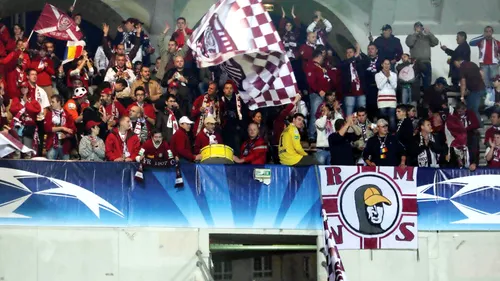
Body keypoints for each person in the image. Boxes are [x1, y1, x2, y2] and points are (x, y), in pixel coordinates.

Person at [9, 82, 41, 158]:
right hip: (17, 127)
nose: (24, 89)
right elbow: (12, 109)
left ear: (28, 89)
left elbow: (37, 110)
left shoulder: (33, 100)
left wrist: (26, 103)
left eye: (25, 87)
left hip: (28, 127)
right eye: (22, 87)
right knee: (17, 150)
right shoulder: (16, 99)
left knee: (27, 150)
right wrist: (22, 105)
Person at [405, 22, 439, 89]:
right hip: (415, 63)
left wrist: (429, 33)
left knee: (427, 83)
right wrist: (416, 33)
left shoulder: (427, 37)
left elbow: (436, 42)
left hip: (426, 62)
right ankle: (416, 99)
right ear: (414, 28)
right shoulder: (410, 36)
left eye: (420, 26)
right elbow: (409, 43)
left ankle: (426, 98)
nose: (419, 28)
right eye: (417, 26)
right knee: (415, 83)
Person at [454, 57, 486, 124]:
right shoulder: (472, 63)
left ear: (457, 61)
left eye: (454, 63)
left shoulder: (462, 68)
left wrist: (462, 96)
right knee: (469, 108)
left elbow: (463, 83)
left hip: (475, 90)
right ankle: (470, 124)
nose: (455, 66)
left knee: (473, 110)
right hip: (481, 88)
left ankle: (479, 125)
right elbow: (482, 74)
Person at [44, 95, 76, 160]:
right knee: (51, 166)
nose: (51, 104)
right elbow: (47, 128)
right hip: (52, 145)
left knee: (66, 167)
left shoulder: (67, 115)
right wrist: (62, 128)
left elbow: (73, 130)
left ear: (59, 102)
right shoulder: (49, 114)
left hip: (64, 146)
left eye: (53, 102)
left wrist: (66, 136)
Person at [220, 80, 247, 155]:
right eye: (227, 88)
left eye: (230, 88)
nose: (229, 90)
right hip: (224, 128)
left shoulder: (238, 100)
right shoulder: (220, 100)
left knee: (236, 145)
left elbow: (243, 114)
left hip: (236, 127)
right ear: (224, 90)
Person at [339, 44, 366, 116]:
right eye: (347, 52)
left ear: (354, 53)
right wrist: (355, 56)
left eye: (350, 52)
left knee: (362, 113)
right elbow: (343, 65)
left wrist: (359, 52)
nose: (348, 54)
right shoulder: (344, 63)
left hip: (361, 92)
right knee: (349, 114)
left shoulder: (359, 62)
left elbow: (367, 61)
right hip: (349, 93)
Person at [469, 26, 499, 90]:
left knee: (495, 83)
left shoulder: (496, 42)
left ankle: (495, 98)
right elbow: (471, 42)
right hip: (484, 65)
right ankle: (487, 98)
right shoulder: (481, 41)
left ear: (492, 32)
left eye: (490, 31)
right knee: (485, 83)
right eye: (486, 31)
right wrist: (483, 36)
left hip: (494, 65)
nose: (488, 33)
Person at [375, 59, 398, 130]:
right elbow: (379, 86)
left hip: (392, 100)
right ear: (382, 65)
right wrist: (386, 77)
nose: (386, 65)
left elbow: (394, 86)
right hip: (382, 101)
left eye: (388, 64)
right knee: (383, 120)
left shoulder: (394, 75)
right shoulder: (377, 75)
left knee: (392, 119)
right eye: (385, 64)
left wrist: (389, 76)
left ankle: (392, 136)